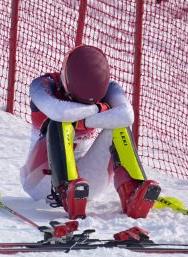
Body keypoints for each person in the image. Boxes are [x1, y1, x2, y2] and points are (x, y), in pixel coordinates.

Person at [20, 45, 161, 220]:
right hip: (41, 182)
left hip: (85, 186)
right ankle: (65, 189)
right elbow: (60, 113)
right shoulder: (43, 85)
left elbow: (126, 115)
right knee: (60, 123)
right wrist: (99, 109)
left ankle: (132, 191)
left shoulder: (111, 87)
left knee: (119, 126)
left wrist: (83, 117)